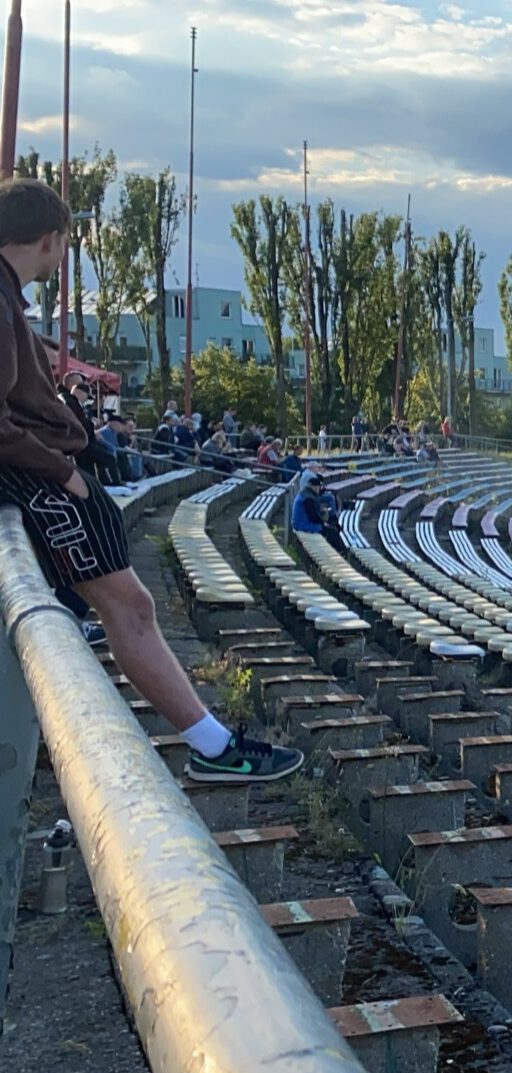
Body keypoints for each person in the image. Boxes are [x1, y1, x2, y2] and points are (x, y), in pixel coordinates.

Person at [0, 180, 300, 782]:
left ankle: (211, 742)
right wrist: (65, 471)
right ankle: (214, 748)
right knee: (131, 608)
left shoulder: (8, 299)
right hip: (38, 483)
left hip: (44, 476)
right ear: (52, 240)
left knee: (130, 606)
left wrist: (87, 445)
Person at [290, 472, 339, 543]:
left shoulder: (306, 493)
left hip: (301, 523)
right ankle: (343, 552)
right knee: (332, 532)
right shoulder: (308, 498)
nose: (317, 489)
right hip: (303, 526)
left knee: (331, 530)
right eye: (315, 487)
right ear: (311, 486)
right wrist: (323, 523)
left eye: (318, 487)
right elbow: (313, 516)